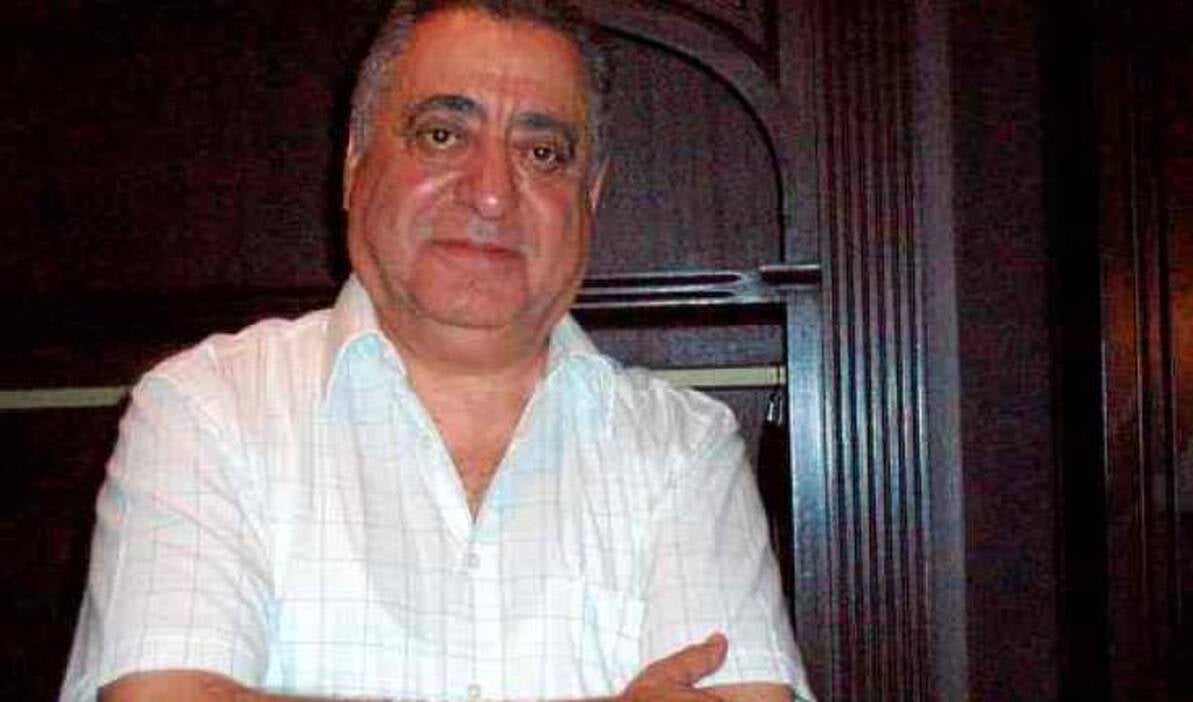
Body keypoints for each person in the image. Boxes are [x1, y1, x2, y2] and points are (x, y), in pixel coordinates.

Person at [59, 1, 812, 700]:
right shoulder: (206, 409)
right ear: (354, 164)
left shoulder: (684, 448)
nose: (491, 193)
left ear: (591, 197)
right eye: (443, 135)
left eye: (542, 152)